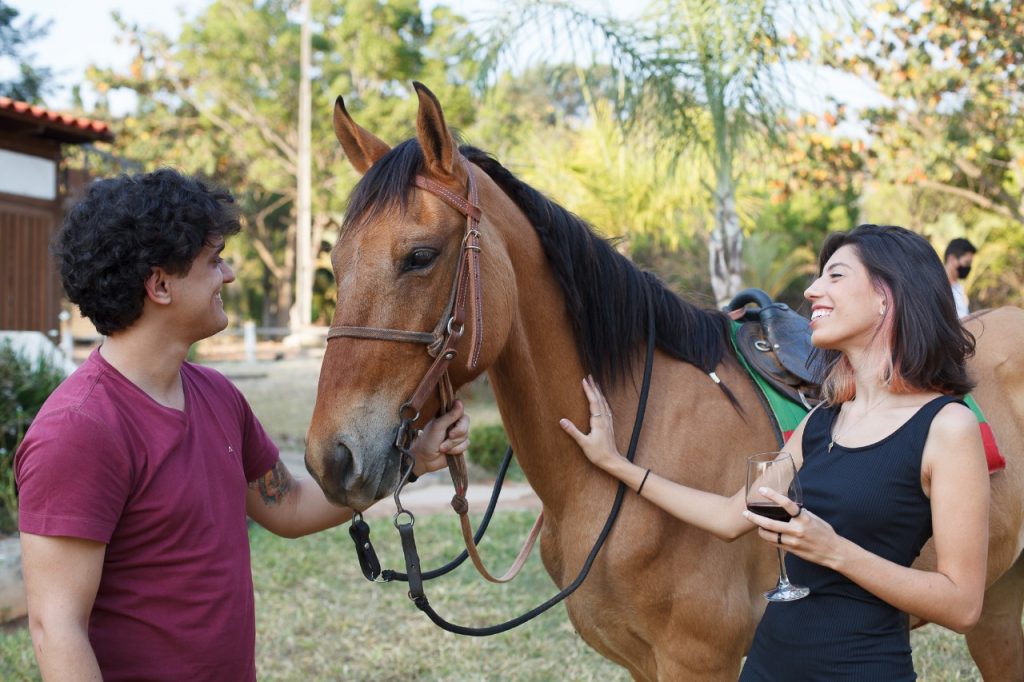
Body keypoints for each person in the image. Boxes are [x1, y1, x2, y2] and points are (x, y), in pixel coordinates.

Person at [14, 168, 471, 682]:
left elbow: (290, 507)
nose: (228, 275)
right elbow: (56, 627)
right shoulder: (78, 432)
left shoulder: (217, 396)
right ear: (160, 285)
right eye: (215, 261)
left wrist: (413, 462)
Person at [560, 224, 988, 680]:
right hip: (768, 667)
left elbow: (961, 605)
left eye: (835, 276)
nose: (812, 290)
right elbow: (729, 517)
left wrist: (834, 550)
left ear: (888, 297)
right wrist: (617, 464)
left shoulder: (947, 427)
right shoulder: (825, 417)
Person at [944, 237, 977, 318]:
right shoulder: (936, 288)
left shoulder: (959, 288)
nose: (968, 267)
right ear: (951, 259)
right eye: (966, 263)